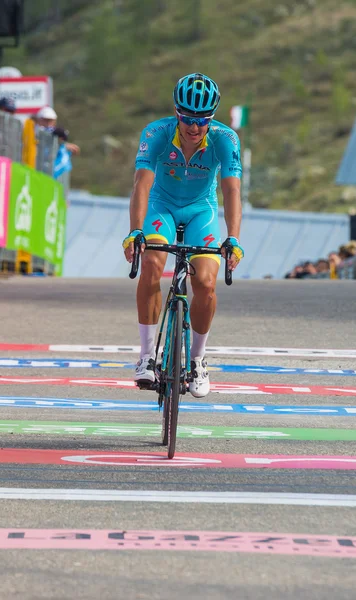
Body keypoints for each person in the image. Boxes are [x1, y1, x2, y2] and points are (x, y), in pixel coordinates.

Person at [123, 73, 244, 398]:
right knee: (151, 264)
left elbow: (231, 190)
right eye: (187, 119)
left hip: (200, 211)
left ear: (211, 118)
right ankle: (147, 356)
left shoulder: (225, 139)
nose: (194, 127)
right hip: (161, 207)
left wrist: (233, 237)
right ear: (177, 114)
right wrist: (136, 230)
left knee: (204, 282)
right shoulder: (157, 133)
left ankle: (198, 360)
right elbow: (142, 185)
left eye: (202, 120)